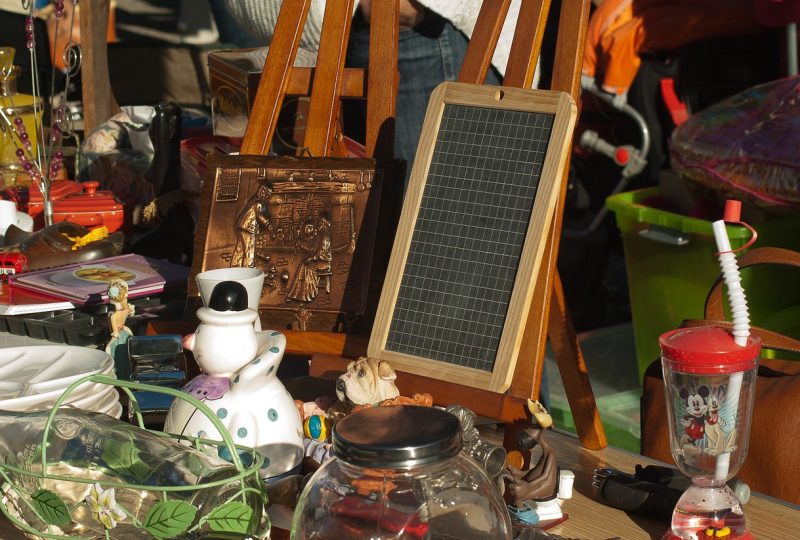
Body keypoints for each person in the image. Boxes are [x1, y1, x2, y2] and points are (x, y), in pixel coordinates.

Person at [217, 0, 526, 185]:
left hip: (413, 30)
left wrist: (402, 8)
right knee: (358, 221)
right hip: (332, 23)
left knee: (427, 238)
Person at [231, 182, 273, 268]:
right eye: (266, 194)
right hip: (249, 228)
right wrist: (269, 225)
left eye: (268, 195)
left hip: (240, 227)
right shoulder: (258, 203)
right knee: (249, 250)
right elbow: (260, 216)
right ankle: (248, 271)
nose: (267, 197)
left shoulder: (253, 200)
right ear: (261, 191)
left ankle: (234, 268)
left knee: (240, 250)